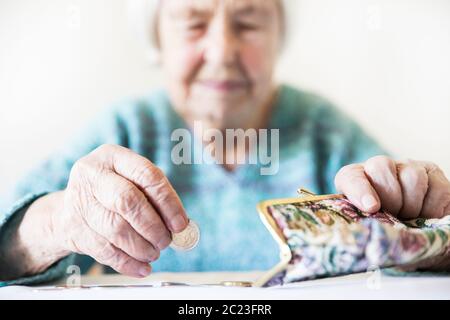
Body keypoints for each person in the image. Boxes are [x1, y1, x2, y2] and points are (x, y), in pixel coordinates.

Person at [1, 0, 449, 286]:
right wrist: (57, 222)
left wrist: (427, 228)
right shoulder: (126, 129)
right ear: (159, 40)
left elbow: (414, 233)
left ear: (278, 39)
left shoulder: (322, 132)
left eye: (249, 23)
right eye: (193, 23)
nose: (221, 51)